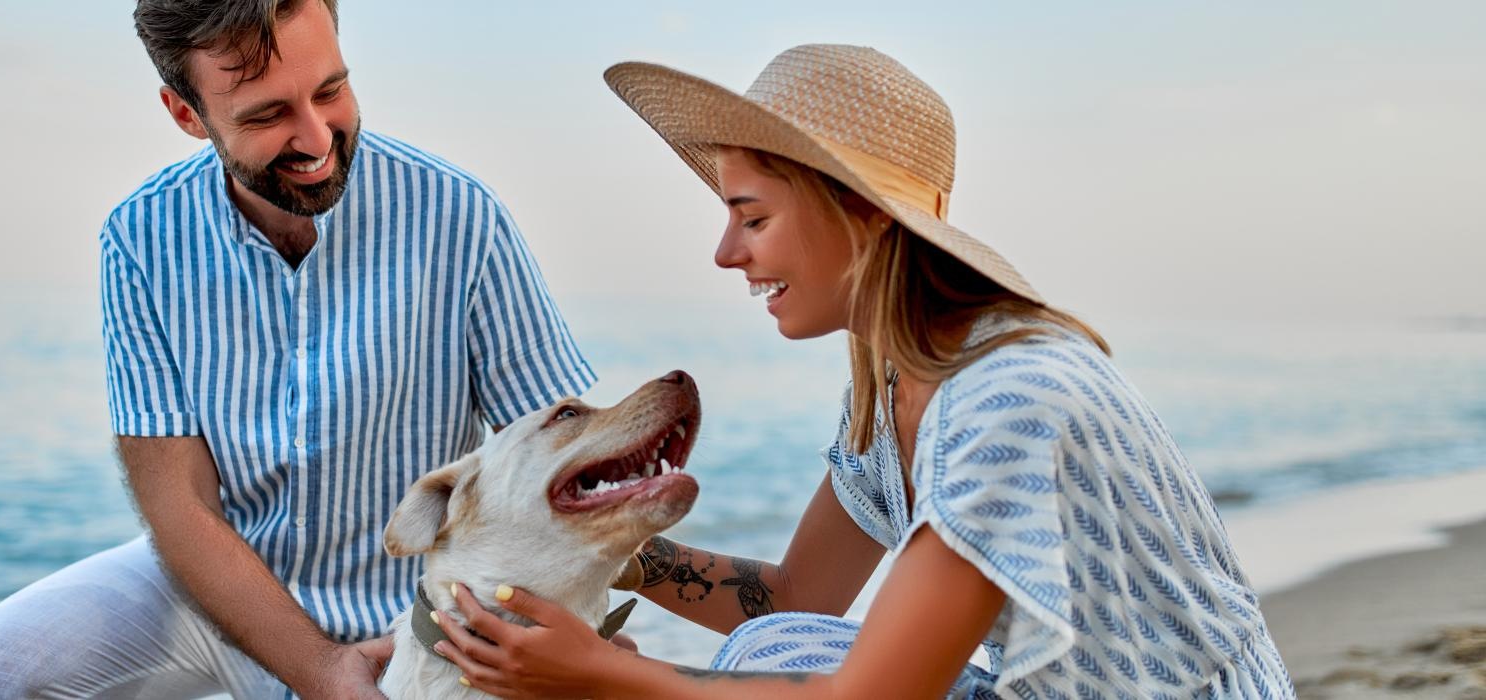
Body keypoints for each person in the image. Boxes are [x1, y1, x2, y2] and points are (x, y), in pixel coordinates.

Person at [431, 44, 1295, 699]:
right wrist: (599, 544)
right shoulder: (896, 388)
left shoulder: (1008, 400)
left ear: (862, 216)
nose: (727, 253)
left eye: (752, 217)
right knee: (775, 649)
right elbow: (798, 596)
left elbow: (875, 698)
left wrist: (610, 678)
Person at [0, 1, 595, 697]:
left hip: (416, 608)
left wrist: (589, 640)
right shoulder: (140, 238)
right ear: (186, 114)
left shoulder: (460, 217)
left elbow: (566, 459)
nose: (316, 137)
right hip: (222, 590)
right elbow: (178, 501)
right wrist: (318, 668)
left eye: (331, 90)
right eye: (265, 115)